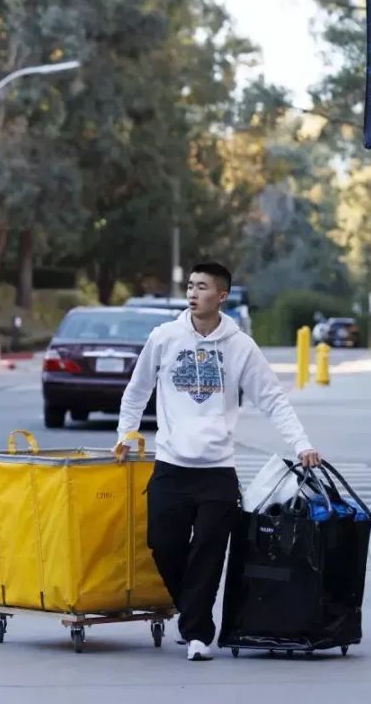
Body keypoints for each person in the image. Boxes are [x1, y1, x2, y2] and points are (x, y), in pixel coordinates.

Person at [115, 262, 322, 662]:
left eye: (203, 287)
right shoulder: (164, 337)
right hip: (172, 467)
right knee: (163, 545)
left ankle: (197, 634)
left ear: (222, 295)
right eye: (190, 286)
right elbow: (136, 391)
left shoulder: (240, 346)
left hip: (217, 472)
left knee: (208, 557)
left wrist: (302, 444)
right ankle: (193, 614)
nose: (193, 293)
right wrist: (125, 433)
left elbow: (272, 399)